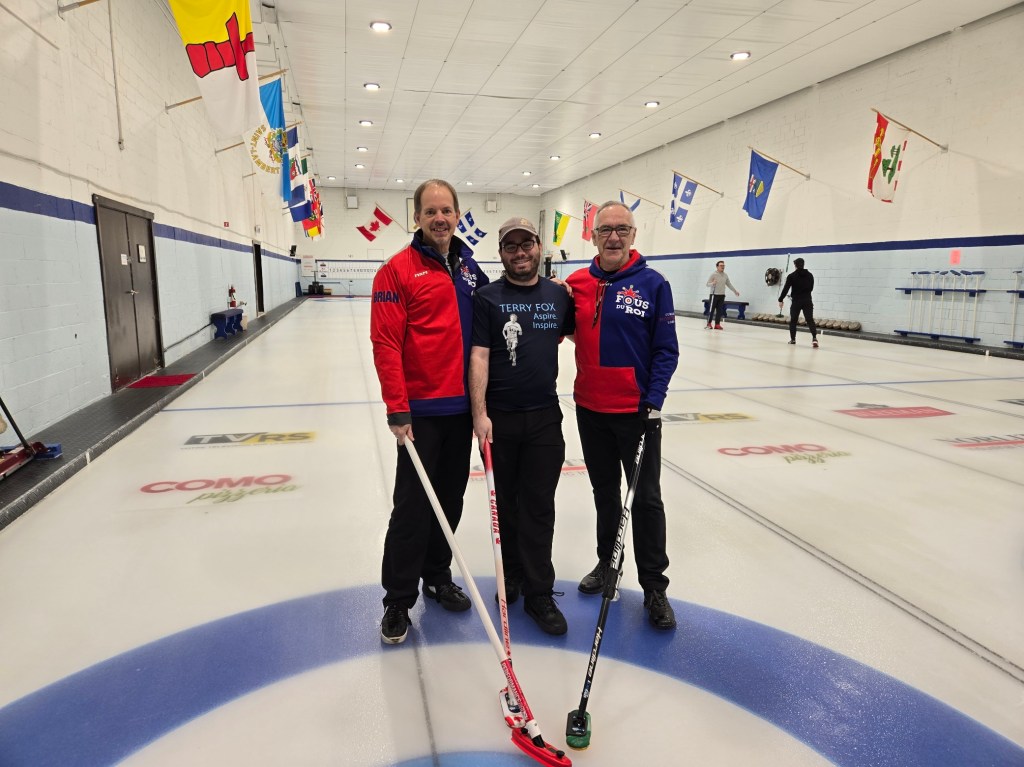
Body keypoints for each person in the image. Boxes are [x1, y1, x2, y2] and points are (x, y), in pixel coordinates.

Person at [370, 179, 489, 645]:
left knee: (450, 501)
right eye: (430, 211)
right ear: (416, 217)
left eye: (447, 210)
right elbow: (385, 343)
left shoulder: (470, 270)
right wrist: (397, 408)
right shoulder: (396, 271)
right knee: (413, 508)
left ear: (457, 215)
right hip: (420, 414)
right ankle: (398, 599)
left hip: (461, 412)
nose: (440, 218)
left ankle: (437, 577)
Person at [566, 201, 680, 630]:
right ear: (593, 236)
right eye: (605, 230)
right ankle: (607, 565)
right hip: (590, 409)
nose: (613, 237)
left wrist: (654, 400)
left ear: (633, 235)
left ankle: (654, 587)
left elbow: (666, 349)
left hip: (636, 414)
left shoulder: (653, 284)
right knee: (605, 494)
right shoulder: (576, 284)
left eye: (622, 229)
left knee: (646, 499)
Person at [470, 217, 575, 636]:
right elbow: (479, 356)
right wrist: (479, 413)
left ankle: (539, 592)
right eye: (510, 246)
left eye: (526, 244)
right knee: (506, 506)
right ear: (501, 253)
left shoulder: (558, 294)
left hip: (545, 417)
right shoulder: (486, 297)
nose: (520, 252)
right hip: (500, 419)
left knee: (538, 506)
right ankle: (510, 574)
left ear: (538, 247)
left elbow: (575, 335)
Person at [778, 257, 818, 347]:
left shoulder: (791, 276)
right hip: (807, 300)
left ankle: (793, 340)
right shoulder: (810, 275)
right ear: (803, 265)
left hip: (796, 301)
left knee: (793, 320)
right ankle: (814, 338)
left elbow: (785, 289)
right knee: (810, 319)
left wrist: (780, 299)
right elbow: (811, 288)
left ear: (795, 265)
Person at [705, 260, 740, 329]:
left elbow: (729, 284)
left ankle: (717, 324)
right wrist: (712, 283)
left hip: (722, 295)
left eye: (723, 265)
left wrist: (735, 291)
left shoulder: (725, 275)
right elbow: (707, 284)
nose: (723, 267)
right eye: (721, 265)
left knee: (719, 310)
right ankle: (709, 324)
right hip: (714, 295)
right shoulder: (713, 274)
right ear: (717, 267)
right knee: (711, 310)